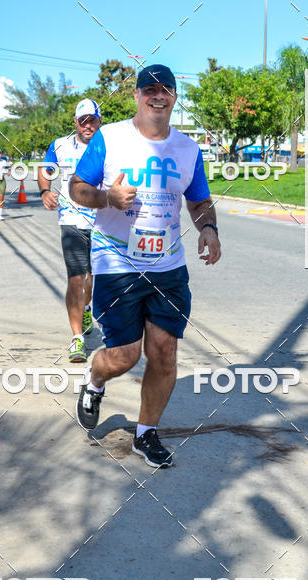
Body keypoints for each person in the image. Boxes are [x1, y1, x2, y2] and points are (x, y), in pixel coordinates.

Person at [70, 64, 221, 468]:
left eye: (165, 89)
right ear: (137, 96)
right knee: (122, 356)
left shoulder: (188, 149)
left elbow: (199, 199)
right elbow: (77, 188)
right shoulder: (110, 137)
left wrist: (208, 229)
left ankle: (145, 434)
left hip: (168, 265)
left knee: (164, 354)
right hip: (116, 259)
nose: (158, 95)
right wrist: (107, 199)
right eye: (149, 89)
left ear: (174, 97)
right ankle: (95, 378)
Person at [39, 98, 102, 362]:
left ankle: (86, 307)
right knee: (76, 278)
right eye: (83, 120)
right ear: (75, 122)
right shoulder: (60, 145)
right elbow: (46, 170)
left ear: (99, 121)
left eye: (92, 120)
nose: (88, 125)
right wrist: (45, 190)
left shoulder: (110, 145)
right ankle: (77, 338)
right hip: (71, 221)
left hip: (102, 223)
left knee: (91, 277)